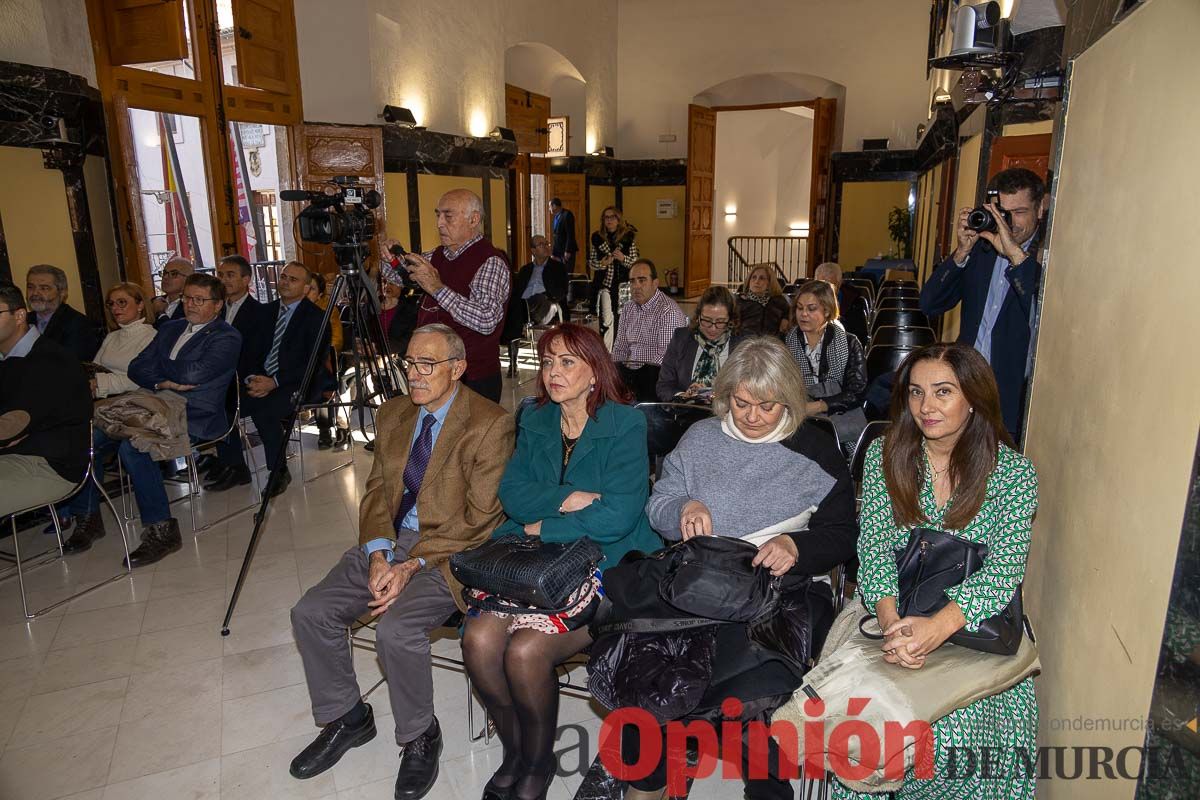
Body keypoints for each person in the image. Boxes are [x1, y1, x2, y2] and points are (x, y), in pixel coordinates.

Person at [288, 324, 515, 800]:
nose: (414, 374)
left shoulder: (490, 423)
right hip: (391, 541)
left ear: (457, 368)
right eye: (409, 363)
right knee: (311, 612)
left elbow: (481, 518)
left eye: (427, 365)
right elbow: (375, 492)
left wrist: (411, 566)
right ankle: (348, 717)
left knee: (396, 630)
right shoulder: (393, 413)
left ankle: (419, 736)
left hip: (452, 550)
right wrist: (377, 553)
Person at [630, 336, 859, 800]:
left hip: (778, 589)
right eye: (741, 403)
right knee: (651, 673)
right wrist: (682, 507)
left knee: (753, 694)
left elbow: (843, 534)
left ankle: (766, 790)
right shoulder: (700, 438)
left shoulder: (814, 450)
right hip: (698, 581)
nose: (752, 416)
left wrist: (797, 544)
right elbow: (658, 504)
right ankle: (651, 782)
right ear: (726, 395)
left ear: (790, 401)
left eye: (767, 406)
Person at [462, 322, 661, 800]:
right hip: (534, 561)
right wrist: (570, 498)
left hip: (606, 563)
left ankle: (536, 764)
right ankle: (523, 753)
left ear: (595, 372)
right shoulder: (534, 417)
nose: (553, 371)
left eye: (568, 361)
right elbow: (512, 493)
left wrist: (543, 522)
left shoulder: (625, 423)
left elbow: (617, 516)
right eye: (548, 361)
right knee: (477, 639)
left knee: (526, 651)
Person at [834, 343, 1038, 799]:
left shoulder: (1013, 474)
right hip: (892, 612)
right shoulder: (888, 455)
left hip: (972, 628)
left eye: (943, 392)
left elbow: (1004, 571)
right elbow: (873, 551)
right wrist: (891, 625)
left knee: (952, 732)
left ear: (974, 398)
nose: (926, 407)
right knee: (866, 723)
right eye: (915, 392)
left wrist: (936, 628)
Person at [70, 274, 241, 563]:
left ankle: (162, 530)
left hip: (194, 414)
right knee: (85, 440)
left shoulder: (227, 336)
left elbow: (193, 375)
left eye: (199, 299)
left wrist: (159, 371)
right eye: (187, 298)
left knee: (134, 448)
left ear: (218, 305)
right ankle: (88, 517)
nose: (190, 304)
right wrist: (164, 382)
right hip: (151, 405)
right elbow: (137, 368)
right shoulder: (171, 327)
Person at [920, 168, 1048, 439]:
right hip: (965, 390)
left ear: (1040, 209)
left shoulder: (1048, 256)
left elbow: (1042, 316)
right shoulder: (981, 250)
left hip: (1010, 400)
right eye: (1003, 212)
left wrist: (1015, 255)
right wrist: (962, 251)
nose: (1009, 222)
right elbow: (930, 303)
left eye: (1021, 211)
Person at [382, 189, 511, 402]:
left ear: (474, 219)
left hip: (473, 377)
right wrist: (390, 259)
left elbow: (487, 319)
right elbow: (398, 276)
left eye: (448, 216)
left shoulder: (490, 261)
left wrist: (438, 289)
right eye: (437, 215)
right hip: (432, 372)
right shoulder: (436, 255)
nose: (439, 223)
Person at [52, 282, 158, 542]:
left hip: (135, 408)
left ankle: (89, 517)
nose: (115, 308)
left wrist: (100, 384)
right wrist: (94, 383)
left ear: (140, 304)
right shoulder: (112, 336)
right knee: (74, 442)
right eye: (112, 303)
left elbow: (140, 379)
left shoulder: (151, 336)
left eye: (123, 302)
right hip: (106, 406)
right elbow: (95, 368)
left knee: (90, 445)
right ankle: (86, 516)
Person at [0, 284, 91, 520]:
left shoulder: (50, 360)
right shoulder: (6, 358)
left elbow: (10, 426)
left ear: (19, 315)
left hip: (49, 464)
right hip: (14, 454)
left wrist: (11, 433)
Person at [242, 261, 332, 497]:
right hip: (263, 377)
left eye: (293, 279)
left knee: (264, 410)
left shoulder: (316, 318)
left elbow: (311, 364)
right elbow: (250, 351)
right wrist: (253, 377)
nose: (285, 282)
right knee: (229, 401)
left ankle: (278, 470)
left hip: (299, 381)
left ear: (305, 288)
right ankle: (233, 466)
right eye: (283, 277)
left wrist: (274, 382)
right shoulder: (265, 312)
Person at [204, 254, 273, 491]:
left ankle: (247, 467)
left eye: (230, 275)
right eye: (220, 275)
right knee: (209, 400)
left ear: (246, 279)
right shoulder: (215, 312)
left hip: (247, 377)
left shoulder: (260, 312)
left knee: (227, 403)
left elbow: (259, 352)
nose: (223, 280)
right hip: (221, 378)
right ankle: (227, 463)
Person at [784, 279, 868, 447]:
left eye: (811, 308)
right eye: (799, 308)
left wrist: (818, 406)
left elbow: (857, 391)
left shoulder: (849, 342)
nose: (803, 314)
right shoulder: (787, 341)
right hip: (797, 417)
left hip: (839, 417)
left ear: (828, 311)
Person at [611, 259, 687, 402]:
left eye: (642, 280)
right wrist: (613, 375)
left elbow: (664, 359)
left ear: (655, 283)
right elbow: (620, 348)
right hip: (631, 378)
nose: (636, 286)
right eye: (632, 281)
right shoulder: (628, 308)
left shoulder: (667, 311)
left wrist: (632, 380)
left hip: (656, 381)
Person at [655, 285, 743, 401]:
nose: (712, 328)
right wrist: (683, 396)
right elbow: (664, 386)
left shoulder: (743, 345)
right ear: (698, 317)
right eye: (706, 320)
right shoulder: (681, 338)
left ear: (731, 320)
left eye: (720, 322)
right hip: (686, 415)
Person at [306, 272, 351, 451]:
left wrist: (320, 354)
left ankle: (332, 429)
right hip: (305, 360)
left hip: (327, 358)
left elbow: (336, 340)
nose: (307, 292)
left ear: (320, 293)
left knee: (321, 376)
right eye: (305, 287)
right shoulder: (295, 309)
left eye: (312, 289)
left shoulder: (328, 308)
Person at [25, 264, 101, 362]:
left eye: (44, 288)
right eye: (30, 287)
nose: (35, 293)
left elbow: (72, 364)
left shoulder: (77, 322)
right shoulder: (22, 320)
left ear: (62, 292)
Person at [589, 206, 639, 350]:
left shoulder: (627, 238)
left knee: (623, 319)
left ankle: (622, 349)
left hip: (623, 286)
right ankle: (608, 352)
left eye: (612, 217)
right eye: (606, 217)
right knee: (607, 320)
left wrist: (623, 258)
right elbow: (592, 262)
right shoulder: (597, 238)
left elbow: (635, 262)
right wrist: (602, 263)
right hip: (604, 285)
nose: (609, 220)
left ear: (618, 220)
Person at [505, 234, 568, 339]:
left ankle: (526, 325)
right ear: (533, 251)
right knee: (512, 305)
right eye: (541, 244)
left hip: (545, 301)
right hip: (524, 304)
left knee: (539, 299)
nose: (546, 246)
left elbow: (562, 290)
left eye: (546, 243)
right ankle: (511, 342)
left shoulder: (558, 267)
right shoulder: (525, 270)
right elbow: (516, 291)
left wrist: (549, 296)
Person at [737, 264, 790, 338]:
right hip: (745, 343)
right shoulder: (739, 302)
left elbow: (790, 313)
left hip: (773, 343)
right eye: (753, 277)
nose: (756, 281)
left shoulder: (778, 301)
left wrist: (786, 319)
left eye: (762, 278)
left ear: (769, 282)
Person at [151, 257, 193, 327]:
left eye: (174, 274)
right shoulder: (153, 302)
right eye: (164, 273)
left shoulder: (191, 305)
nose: (165, 277)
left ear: (188, 279)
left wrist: (160, 313)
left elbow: (173, 333)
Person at [549, 197, 578, 271]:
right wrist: (553, 253)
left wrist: (567, 251)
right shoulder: (556, 216)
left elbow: (570, 234)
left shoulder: (567, 215)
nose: (549, 209)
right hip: (558, 251)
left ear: (554, 206)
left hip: (566, 251)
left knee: (567, 274)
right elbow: (556, 236)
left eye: (550, 206)